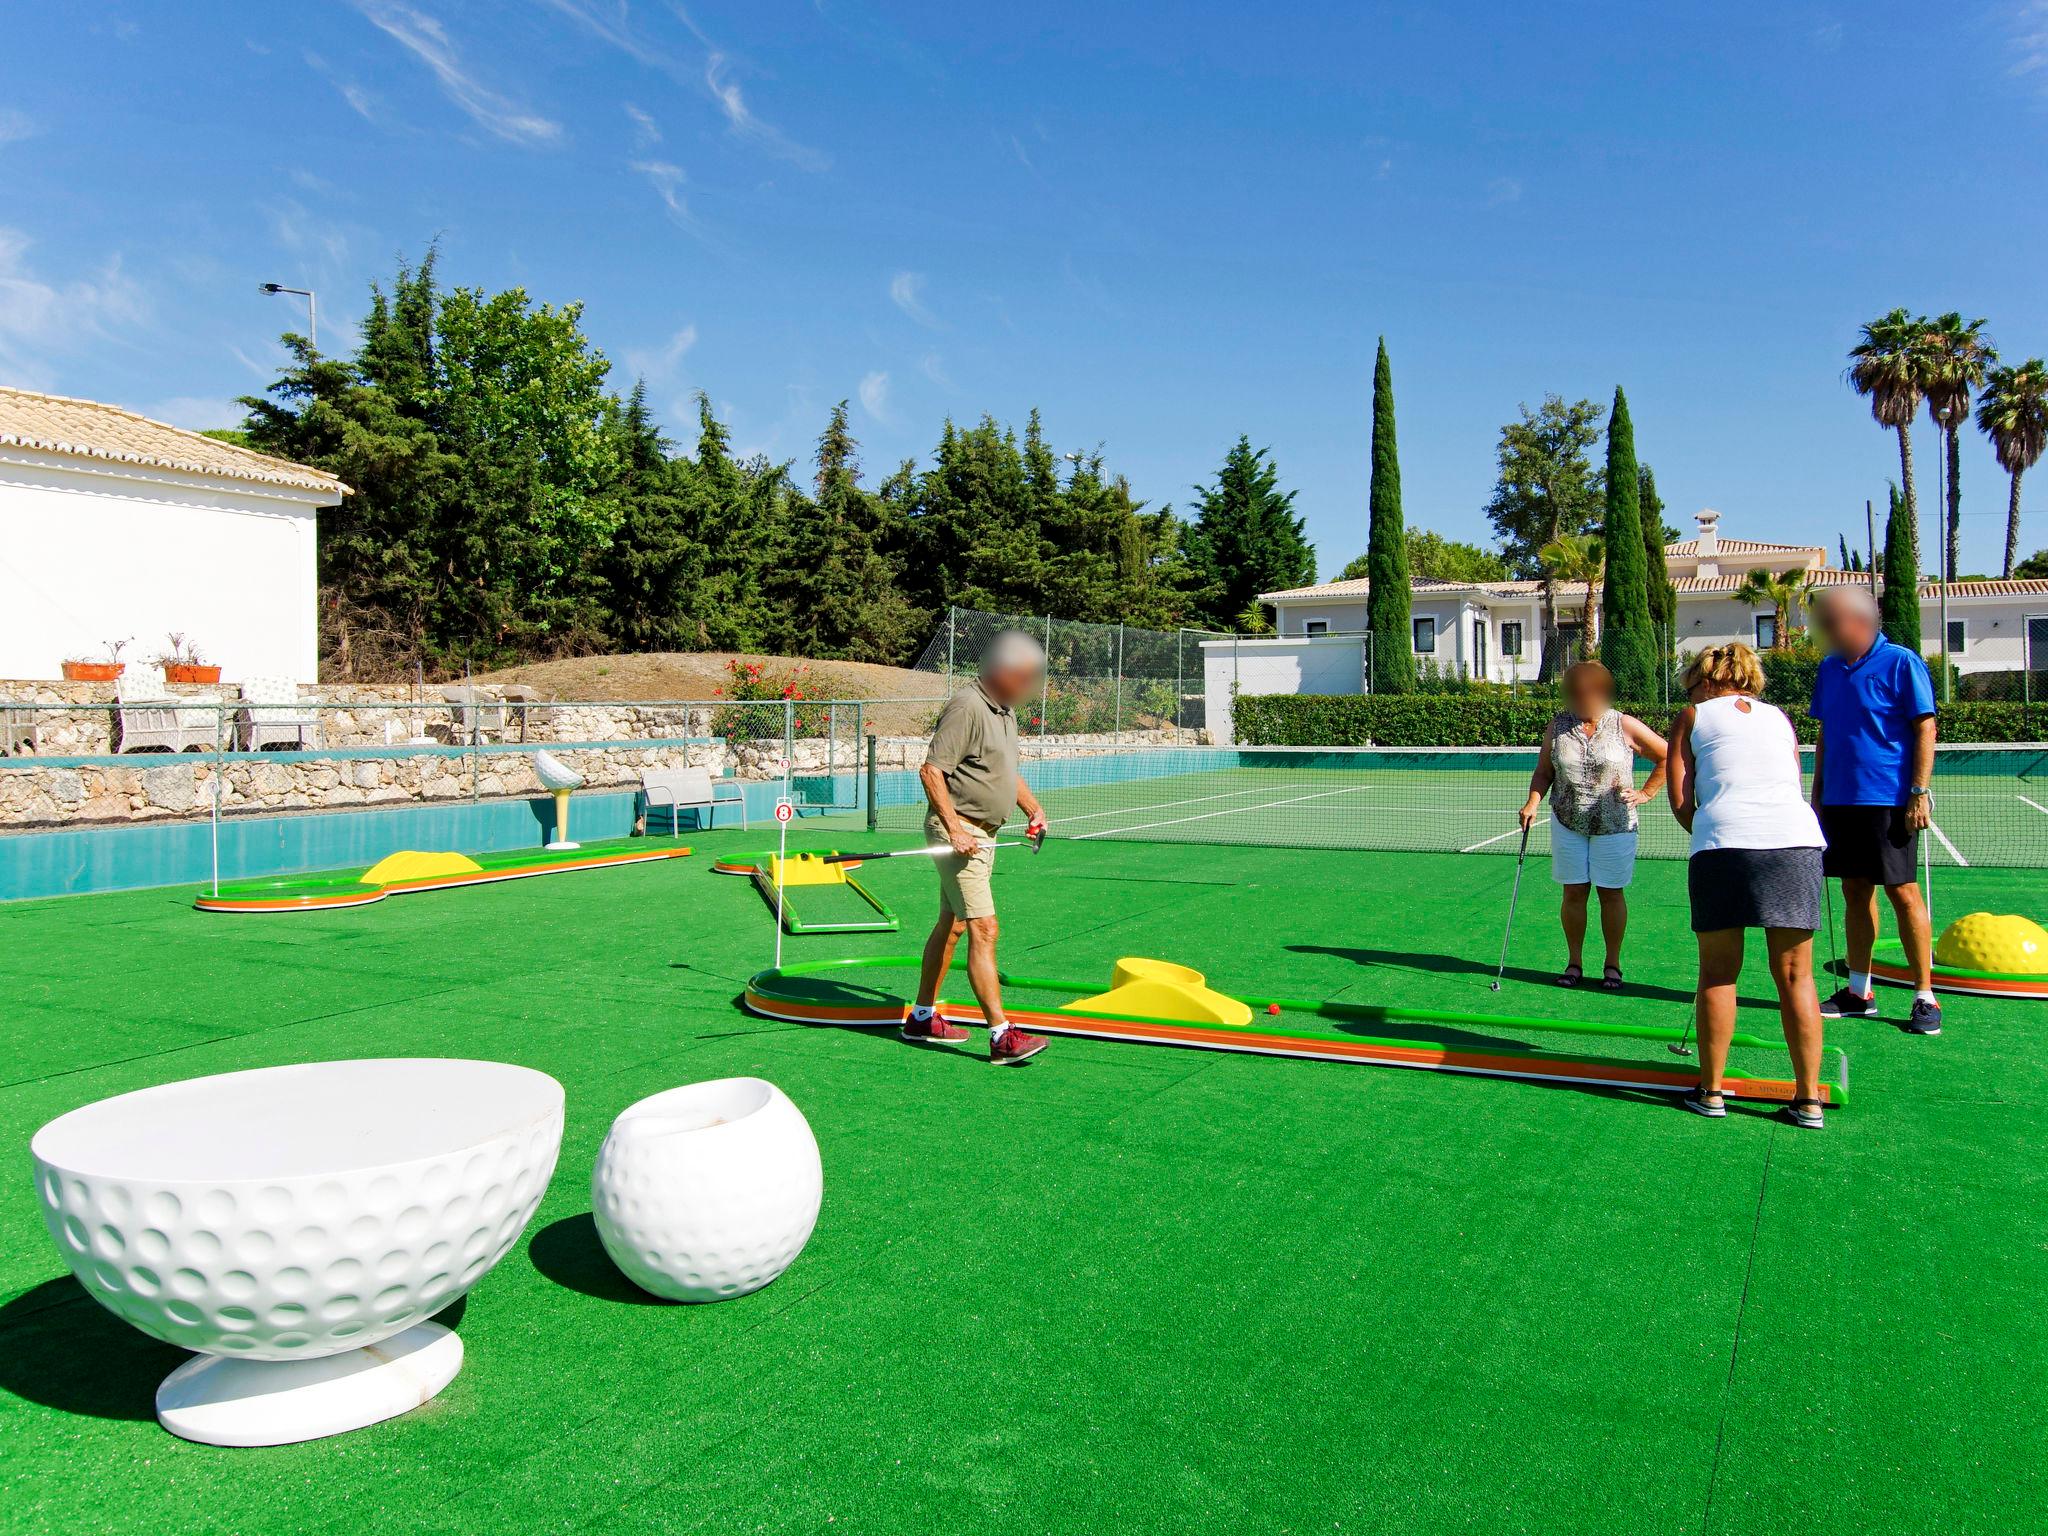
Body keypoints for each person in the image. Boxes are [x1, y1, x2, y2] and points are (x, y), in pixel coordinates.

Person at [1666, 643, 1829, 1128]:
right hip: (1796, 844)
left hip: (1723, 845)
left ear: (1707, 680)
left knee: (1719, 972)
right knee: (1797, 975)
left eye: (1691, 682)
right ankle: (1807, 1101)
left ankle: (1712, 1092)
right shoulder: (1779, 717)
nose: (1689, 691)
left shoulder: (1692, 715)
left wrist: (1714, 828)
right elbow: (1794, 781)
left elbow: (1680, 799)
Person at [903, 629, 1051, 1064]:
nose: (1028, 688)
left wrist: (1033, 808)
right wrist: (954, 829)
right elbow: (932, 771)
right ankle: (1001, 1035)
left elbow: (1004, 772)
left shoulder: (1004, 711)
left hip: (983, 834)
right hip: (960, 834)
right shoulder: (967, 706)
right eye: (1023, 677)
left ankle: (922, 1018)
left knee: (953, 925)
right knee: (985, 928)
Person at [1807, 585, 1941, 1035]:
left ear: (1859, 620)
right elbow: (1827, 733)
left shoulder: (1902, 661)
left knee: (1902, 892)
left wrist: (1919, 791)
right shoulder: (1828, 669)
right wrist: (1818, 793)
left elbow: (1925, 726)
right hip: (1841, 801)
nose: (1822, 632)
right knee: (1854, 892)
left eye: (1829, 623)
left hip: (1889, 800)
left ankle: (1924, 995)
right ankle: (1859, 992)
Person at [1518, 661, 1668, 990]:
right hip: (1567, 822)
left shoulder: (1624, 725)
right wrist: (1532, 802)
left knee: (1611, 895)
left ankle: (1612, 965)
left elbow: (1667, 756)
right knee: (1573, 894)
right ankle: (1574, 963)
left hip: (1615, 824)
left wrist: (1646, 792)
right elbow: (1545, 772)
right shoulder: (1557, 726)